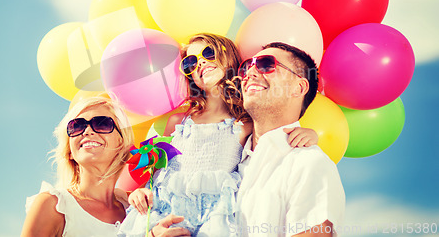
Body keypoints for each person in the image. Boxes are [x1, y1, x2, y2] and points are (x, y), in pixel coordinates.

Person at [119, 34, 318, 236]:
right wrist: (140, 191)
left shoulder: (247, 122)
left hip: (212, 218)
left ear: (229, 56)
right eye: (190, 62)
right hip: (166, 211)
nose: (200, 63)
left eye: (208, 53)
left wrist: (309, 133)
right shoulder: (178, 121)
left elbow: (275, 139)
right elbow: (158, 171)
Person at [21, 96, 191, 237]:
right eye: (77, 126)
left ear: (122, 143)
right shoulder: (54, 205)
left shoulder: (137, 206)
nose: (87, 131)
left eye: (102, 123)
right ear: (70, 151)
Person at [236, 42, 345, 237]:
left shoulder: (309, 164)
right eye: (246, 66)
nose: (250, 72)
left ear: (299, 87)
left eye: (266, 64)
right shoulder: (226, 156)